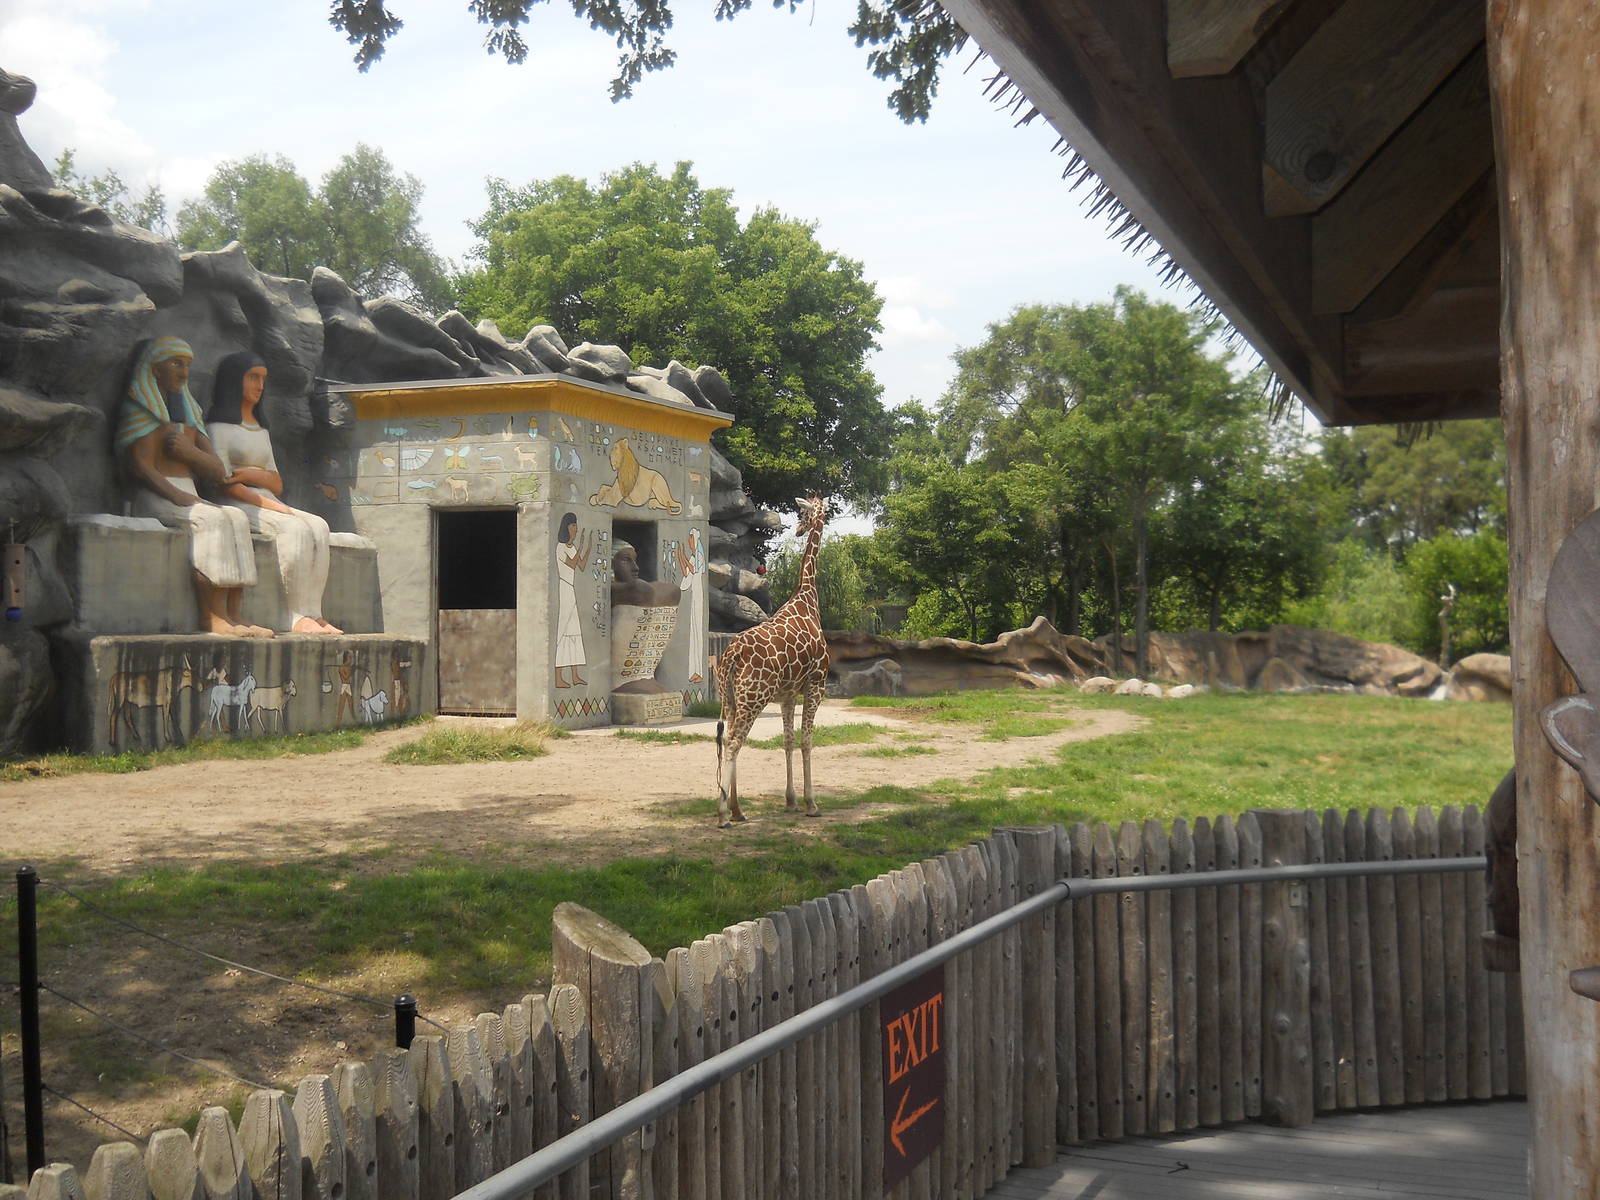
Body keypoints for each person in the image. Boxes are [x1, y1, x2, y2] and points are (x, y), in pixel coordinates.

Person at [115, 337, 271, 638]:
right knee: (211, 520)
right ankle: (210, 615)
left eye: (187, 365)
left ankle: (234, 615)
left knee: (236, 519)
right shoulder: (139, 410)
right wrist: (181, 496)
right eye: (176, 363)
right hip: (155, 496)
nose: (183, 372)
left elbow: (217, 471)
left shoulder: (189, 415)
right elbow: (140, 467)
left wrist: (190, 453)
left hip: (187, 496)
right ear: (154, 368)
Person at [206, 351, 341, 634]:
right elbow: (223, 482)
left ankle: (313, 613)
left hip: (267, 499)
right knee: (296, 530)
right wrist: (268, 501)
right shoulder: (218, 427)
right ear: (234, 381)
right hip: (236, 503)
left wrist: (251, 474)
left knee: (319, 526)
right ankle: (292, 616)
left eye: (263, 379)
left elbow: (277, 483)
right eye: (253, 377)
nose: (260, 385)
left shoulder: (260, 430)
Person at [555, 512, 593, 688]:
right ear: (566, 527)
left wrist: (588, 547)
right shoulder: (561, 547)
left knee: (574, 632)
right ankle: (558, 676)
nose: (575, 530)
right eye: (572, 526)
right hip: (564, 589)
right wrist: (582, 545)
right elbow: (571, 564)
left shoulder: (572, 548)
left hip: (571, 589)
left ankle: (575, 675)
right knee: (563, 632)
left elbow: (581, 565)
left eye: (576, 526)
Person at [675, 529, 706, 683]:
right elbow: (686, 574)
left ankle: (699, 672)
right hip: (693, 595)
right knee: (692, 634)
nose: (689, 543)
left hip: (698, 596)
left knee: (698, 634)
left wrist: (685, 558)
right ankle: (693, 672)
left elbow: (694, 570)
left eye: (690, 540)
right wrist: (680, 556)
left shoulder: (699, 556)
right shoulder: (694, 557)